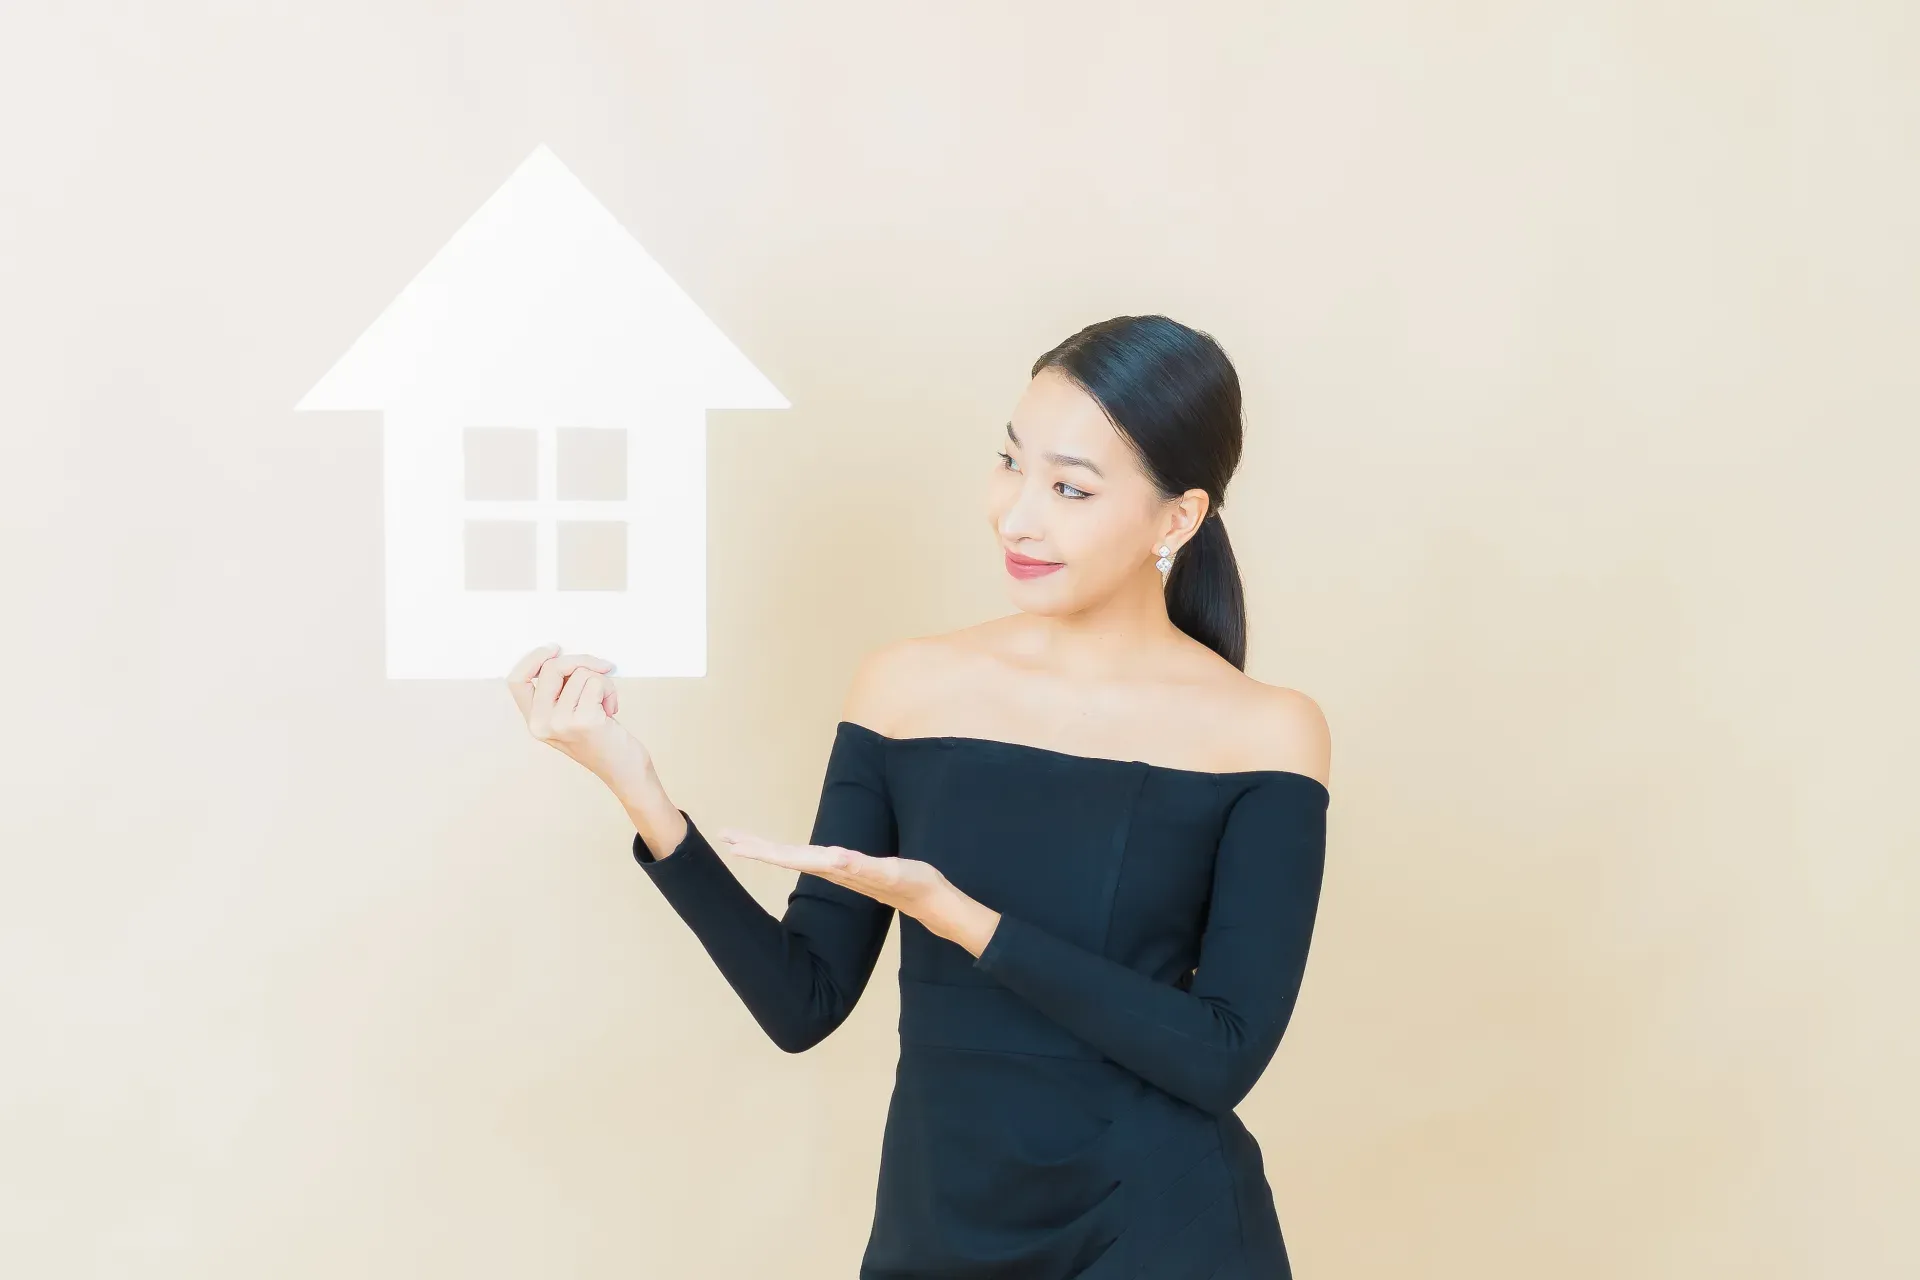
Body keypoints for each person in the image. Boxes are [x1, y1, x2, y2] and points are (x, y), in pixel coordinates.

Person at [506, 314, 1332, 1279]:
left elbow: (1221, 1052)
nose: (1017, 515)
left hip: (1164, 1235)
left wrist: (961, 918)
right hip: (939, 1231)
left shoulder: (1268, 730)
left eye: (1069, 488)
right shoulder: (907, 688)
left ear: (1178, 519)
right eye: (1010, 464)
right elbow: (801, 1002)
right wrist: (636, 788)